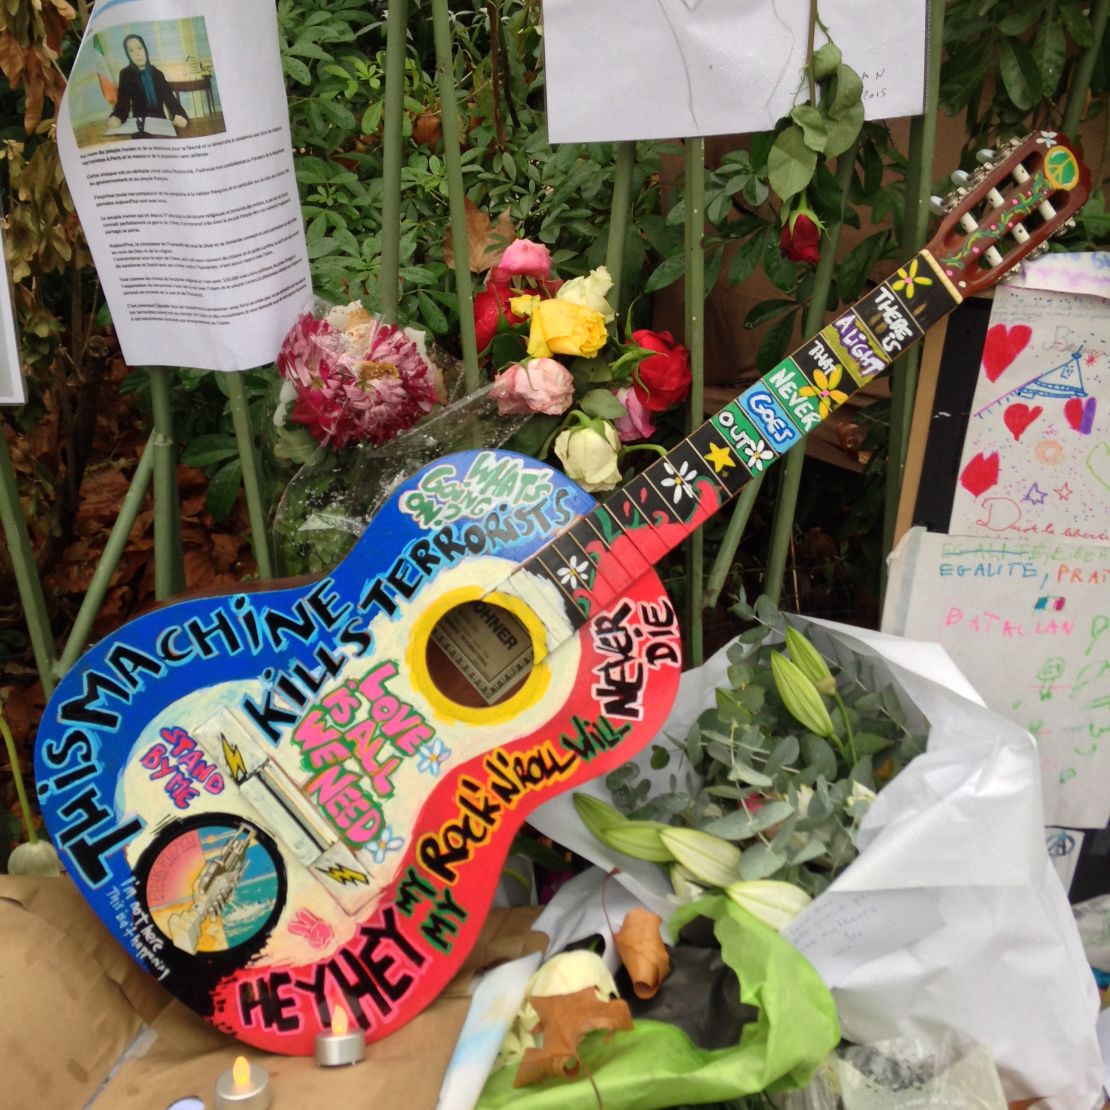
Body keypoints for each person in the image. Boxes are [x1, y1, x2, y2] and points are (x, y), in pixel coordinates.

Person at [106, 34, 188, 131]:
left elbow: (170, 100)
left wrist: (180, 116)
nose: (137, 54)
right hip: (140, 126)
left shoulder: (157, 74)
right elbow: (123, 104)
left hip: (160, 123)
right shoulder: (126, 74)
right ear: (128, 54)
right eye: (131, 51)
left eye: (139, 48)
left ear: (145, 50)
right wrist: (117, 117)